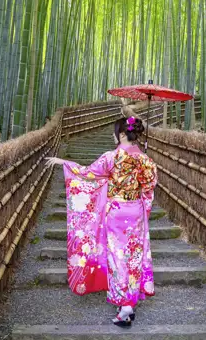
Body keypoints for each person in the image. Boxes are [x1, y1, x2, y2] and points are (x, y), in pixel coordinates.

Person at [45, 116, 157, 327]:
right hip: (136, 212)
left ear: (123, 134)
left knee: (117, 257)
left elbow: (87, 174)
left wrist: (65, 163)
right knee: (133, 256)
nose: (113, 135)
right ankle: (129, 302)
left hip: (116, 211)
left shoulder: (110, 157)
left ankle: (125, 308)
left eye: (116, 132)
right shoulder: (145, 159)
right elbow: (149, 186)